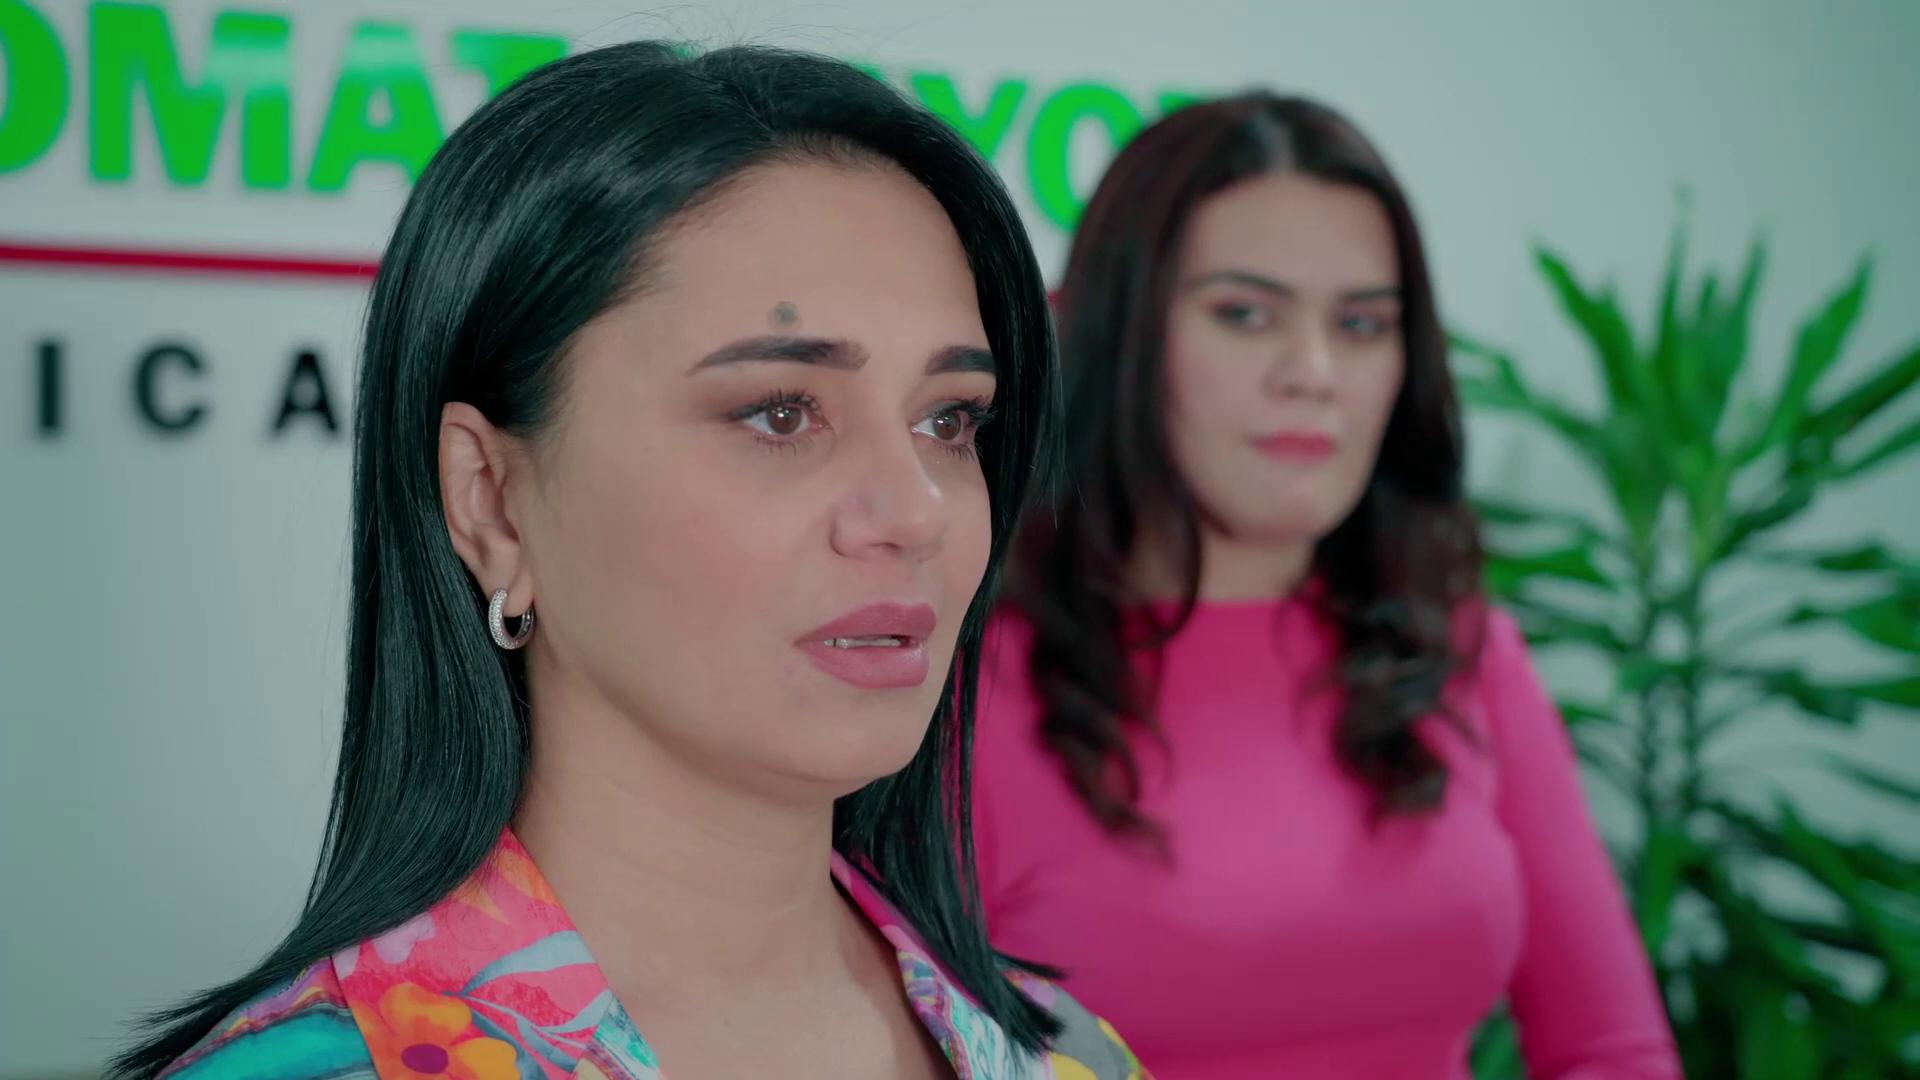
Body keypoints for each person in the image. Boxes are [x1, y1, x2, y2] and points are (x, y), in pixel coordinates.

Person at [113, 41, 1142, 1080]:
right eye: (781, 414)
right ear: (491, 501)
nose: (917, 511)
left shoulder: (1069, 1057)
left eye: (949, 421)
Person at [971, 92, 1680, 1079]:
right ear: (1119, 332)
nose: (1313, 372)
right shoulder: (965, 681)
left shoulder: (1463, 647)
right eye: (1245, 313)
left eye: (1361, 323)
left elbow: (1614, 1051)